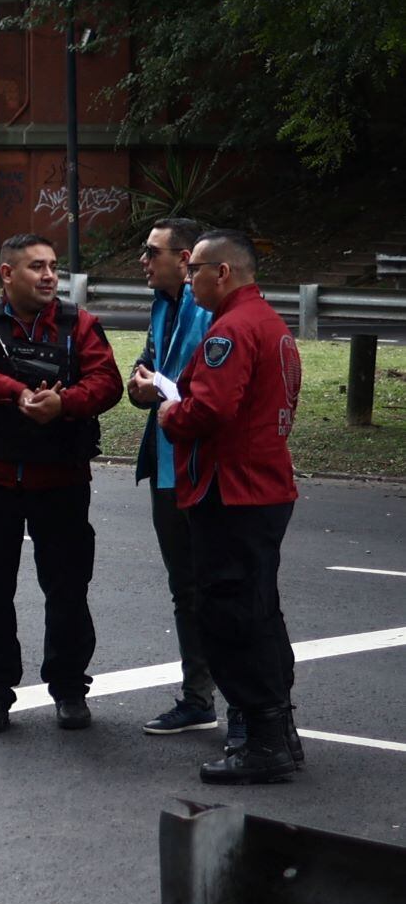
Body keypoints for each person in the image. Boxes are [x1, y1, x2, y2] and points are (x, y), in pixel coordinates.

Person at [0, 234, 123, 734]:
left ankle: (69, 690)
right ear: (6, 274)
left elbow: (108, 382)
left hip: (60, 479)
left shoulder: (79, 324)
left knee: (67, 590)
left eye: (53, 267)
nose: (48, 276)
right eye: (36, 267)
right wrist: (17, 393)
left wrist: (67, 404)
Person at [155, 229, 304, 784]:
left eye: (193, 268)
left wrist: (171, 415)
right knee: (260, 611)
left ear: (222, 273)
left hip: (231, 490)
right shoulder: (267, 321)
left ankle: (263, 740)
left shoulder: (233, 329)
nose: (187, 278)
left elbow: (209, 409)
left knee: (232, 616)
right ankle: (278, 733)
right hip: (262, 489)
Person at [125, 215, 220, 735]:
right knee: (185, 590)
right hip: (167, 469)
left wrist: (160, 387)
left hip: (207, 470)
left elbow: (213, 390)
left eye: (152, 252)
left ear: (185, 260)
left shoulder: (210, 310)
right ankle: (197, 697)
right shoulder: (159, 307)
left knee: (221, 588)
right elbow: (146, 369)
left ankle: (253, 707)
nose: (143, 261)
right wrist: (140, 387)